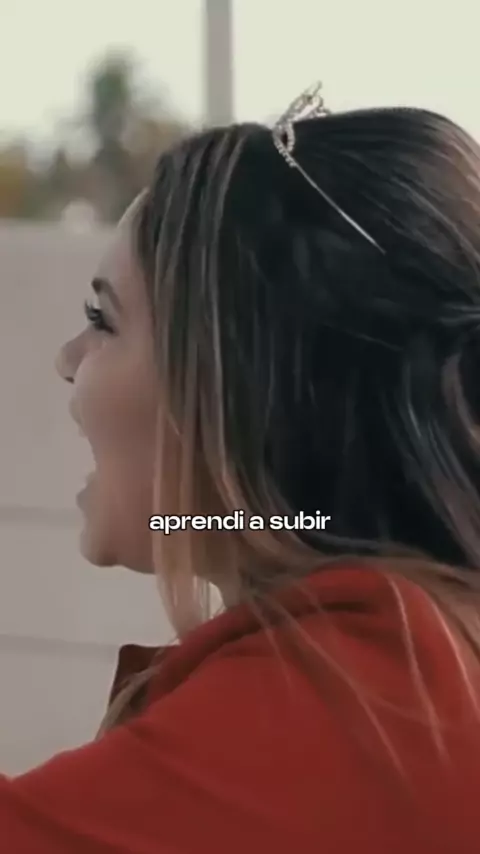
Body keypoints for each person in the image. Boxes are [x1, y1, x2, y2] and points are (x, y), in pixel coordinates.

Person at [2, 83, 480, 853]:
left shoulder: (354, 697)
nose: (67, 360)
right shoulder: (407, 659)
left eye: (103, 320)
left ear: (242, 392)